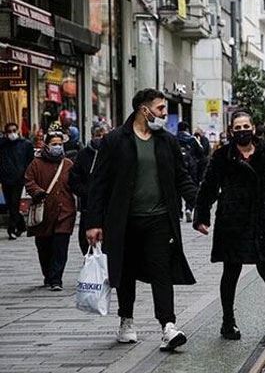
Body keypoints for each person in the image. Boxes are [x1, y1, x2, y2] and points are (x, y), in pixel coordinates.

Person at [86, 88, 198, 352]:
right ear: (143, 109)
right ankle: (126, 320)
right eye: (160, 109)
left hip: (159, 219)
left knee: (162, 271)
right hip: (124, 220)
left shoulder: (166, 141)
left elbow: (181, 177)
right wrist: (93, 222)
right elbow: (99, 183)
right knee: (125, 273)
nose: (164, 114)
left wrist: (198, 203)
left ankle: (168, 326)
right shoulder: (115, 140)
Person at [194, 111, 265, 343]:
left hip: (262, 221)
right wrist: (201, 216)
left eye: (246, 126)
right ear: (231, 131)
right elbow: (208, 187)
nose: (242, 130)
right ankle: (228, 321)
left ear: (253, 128)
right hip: (233, 221)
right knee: (231, 271)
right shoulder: (222, 156)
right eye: (237, 127)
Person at [24, 130, 76, 291]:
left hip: (65, 212)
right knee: (44, 246)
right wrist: (37, 191)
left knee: (61, 246)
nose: (58, 147)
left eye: (60, 144)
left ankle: (56, 279)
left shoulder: (68, 164)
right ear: (46, 145)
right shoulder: (36, 164)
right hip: (44, 213)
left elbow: (76, 183)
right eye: (54, 144)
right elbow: (28, 181)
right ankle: (48, 274)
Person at [68, 124, 110, 255]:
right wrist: (87, 192)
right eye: (98, 135)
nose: (101, 138)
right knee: (86, 242)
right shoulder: (83, 155)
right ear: (92, 136)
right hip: (88, 206)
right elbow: (74, 180)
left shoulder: (115, 153)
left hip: (109, 207)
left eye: (104, 135)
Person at [0, 122, 35, 240]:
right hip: (5, 178)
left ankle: (12, 229)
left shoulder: (25, 145)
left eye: (13, 130)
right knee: (10, 204)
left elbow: (30, 161)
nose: (12, 134)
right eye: (9, 131)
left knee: (14, 203)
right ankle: (21, 225)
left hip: (18, 179)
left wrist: (26, 175)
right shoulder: (2, 145)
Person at [177, 121, 207, 223]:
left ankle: (179, 214)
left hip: (178, 167)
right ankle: (188, 209)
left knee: (177, 189)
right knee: (190, 186)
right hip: (191, 167)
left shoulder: (173, 138)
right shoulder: (192, 139)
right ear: (187, 129)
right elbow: (201, 152)